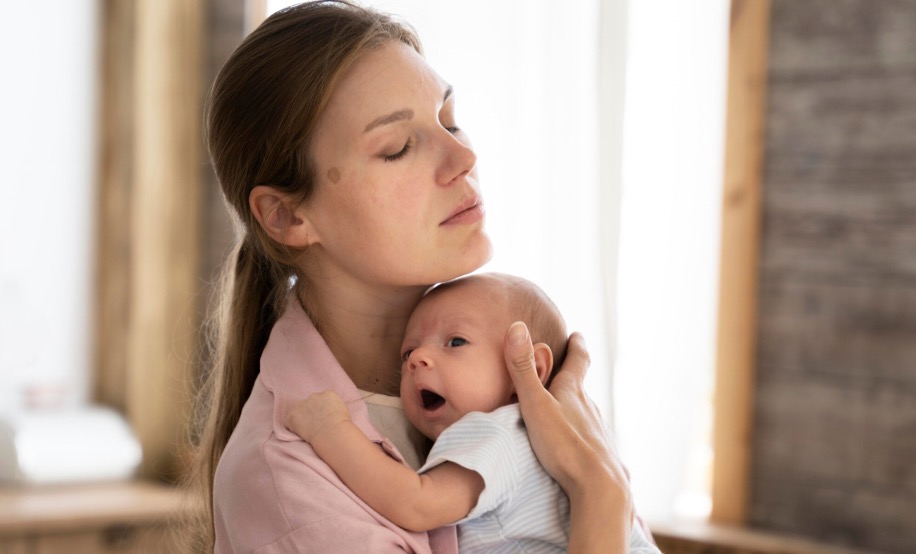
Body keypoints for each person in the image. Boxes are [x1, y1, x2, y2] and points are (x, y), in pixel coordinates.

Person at [187, 1, 639, 552]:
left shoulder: (507, 366)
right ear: (288, 216)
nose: (463, 156)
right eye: (398, 148)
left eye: (449, 121)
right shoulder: (289, 482)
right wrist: (601, 495)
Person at [287, 273, 658, 553]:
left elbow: (415, 503)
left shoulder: (498, 433)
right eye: (408, 353)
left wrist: (331, 429)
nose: (418, 359)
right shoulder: (572, 441)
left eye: (456, 342)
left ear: (529, 367)